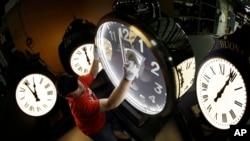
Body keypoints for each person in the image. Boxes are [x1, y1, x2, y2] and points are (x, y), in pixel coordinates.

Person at [56, 46, 142, 141]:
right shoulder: (80, 107)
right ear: (68, 96)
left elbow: (93, 73)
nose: (81, 86)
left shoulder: (79, 81)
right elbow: (110, 104)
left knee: (116, 121)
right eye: (76, 89)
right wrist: (127, 79)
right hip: (95, 128)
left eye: (77, 83)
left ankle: (118, 132)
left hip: (100, 113)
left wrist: (96, 57)